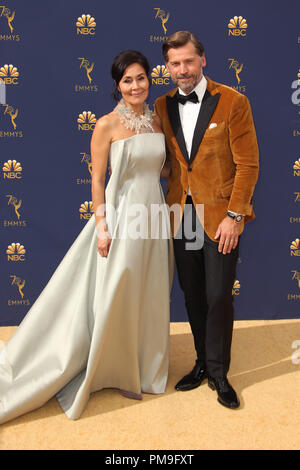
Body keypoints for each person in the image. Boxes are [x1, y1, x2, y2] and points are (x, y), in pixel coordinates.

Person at [0, 50, 173, 424]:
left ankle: (145, 368)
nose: (135, 85)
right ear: (117, 85)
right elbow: (97, 180)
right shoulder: (106, 125)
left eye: (141, 77)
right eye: (127, 80)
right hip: (122, 213)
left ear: (149, 80)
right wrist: (102, 225)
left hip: (154, 215)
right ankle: (115, 370)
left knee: (152, 289)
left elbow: (163, 170)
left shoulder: (160, 122)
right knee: (117, 290)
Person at [154, 31, 259, 409]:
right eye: (174, 63)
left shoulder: (233, 101)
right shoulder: (161, 105)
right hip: (181, 216)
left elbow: (248, 164)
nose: (182, 70)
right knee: (193, 294)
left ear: (203, 60)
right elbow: (167, 162)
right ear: (167, 67)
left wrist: (235, 215)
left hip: (219, 217)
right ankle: (201, 360)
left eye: (188, 61)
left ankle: (218, 372)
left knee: (218, 295)